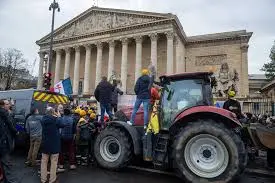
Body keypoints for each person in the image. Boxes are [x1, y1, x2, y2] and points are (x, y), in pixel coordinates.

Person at [40, 107, 64, 183]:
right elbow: (62, 124)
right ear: (53, 112)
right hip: (54, 143)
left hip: (45, 143)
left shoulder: (43, 119)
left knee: (44, 161)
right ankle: (52, 179)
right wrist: (59, 116)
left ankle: (43, 179)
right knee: (54, 162)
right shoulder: (56, 119)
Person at [0, 99, 19, 183]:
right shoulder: (4, 114)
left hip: (3, 142)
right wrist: (16, 132)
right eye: (7, 104)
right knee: (7, 164)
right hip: (3, 143)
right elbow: (11, 126)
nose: (9, 105)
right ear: (2, 106)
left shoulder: (6, 114)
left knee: (4, 164)